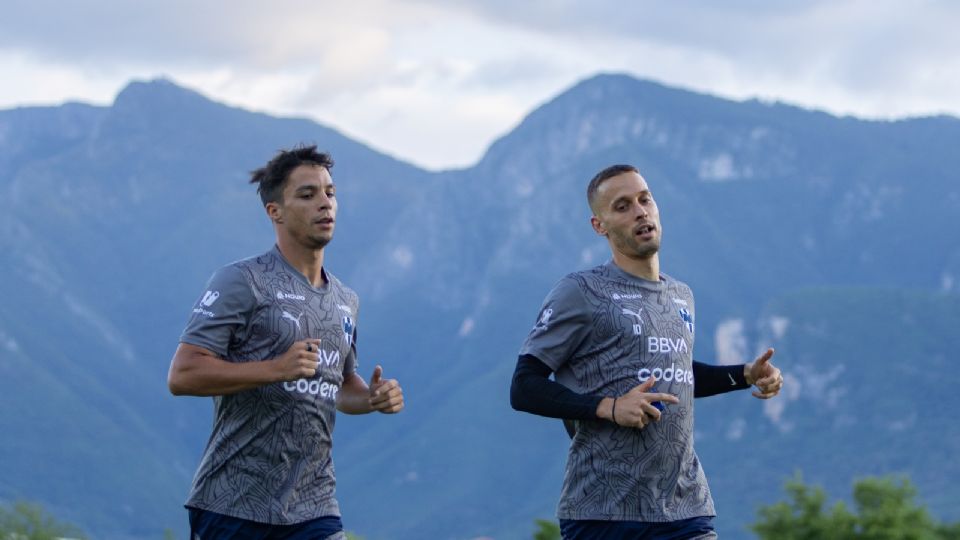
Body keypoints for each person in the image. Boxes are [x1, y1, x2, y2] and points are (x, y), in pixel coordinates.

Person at [510, 164, 783, 540]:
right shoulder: (580, 291)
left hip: (685, 507)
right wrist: (609, 407)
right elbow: (524, 386)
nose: (639, 211)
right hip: (603, 512)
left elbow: (677, 374)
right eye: (622, 206)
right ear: (599, 226)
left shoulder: (680, 295)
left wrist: (746, 373)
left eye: (644, 199)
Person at [168, 145, 404, 540]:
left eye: (330, 192)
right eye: (307, 194)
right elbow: (183, 374)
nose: (324, 204)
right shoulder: (241, 282)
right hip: (234, 505)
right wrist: (274, 369)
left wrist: (371, 399)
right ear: (274, 211)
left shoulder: (346, 301)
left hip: (315, 506)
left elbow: (341, 386)